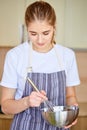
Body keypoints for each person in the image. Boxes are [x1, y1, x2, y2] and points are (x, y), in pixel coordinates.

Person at [0, 1, 80, 130]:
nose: (40, 40)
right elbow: (5, 106)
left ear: (54, 27)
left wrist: (72, 113)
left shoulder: (67, 55)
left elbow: (70, 96)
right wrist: (27, 102)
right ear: (26, 29)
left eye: (46, 33)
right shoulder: (15, 56)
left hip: (58, 126)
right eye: (33, 34)